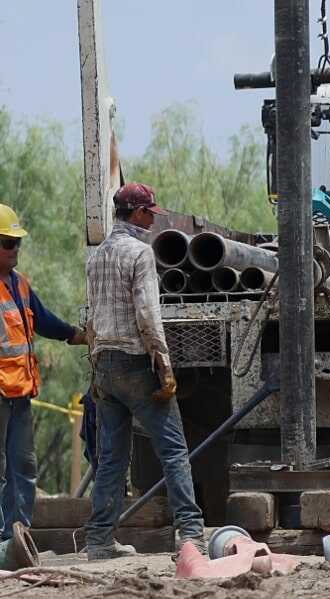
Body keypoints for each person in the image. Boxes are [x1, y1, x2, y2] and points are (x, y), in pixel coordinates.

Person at [0, 203, 88, 546]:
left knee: (23, 470)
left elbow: (41, 319)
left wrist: (75, 333)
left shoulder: (19, 284)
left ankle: (18, 537)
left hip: (19, 398)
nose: (16, 250)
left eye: (18, 243)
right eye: (8, 243)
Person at [83, 183, 204, 561]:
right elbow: (149, 314)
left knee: (112, 458)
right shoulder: (140, 253)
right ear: (136, 213)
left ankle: (99, 541)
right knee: (173, 451)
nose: (153, 219)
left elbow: (90, 316)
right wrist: (164, 366)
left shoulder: (97, 257)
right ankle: (191, 536)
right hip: (137, 362)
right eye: (150, 213)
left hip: (104, 365)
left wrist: (94, 364)